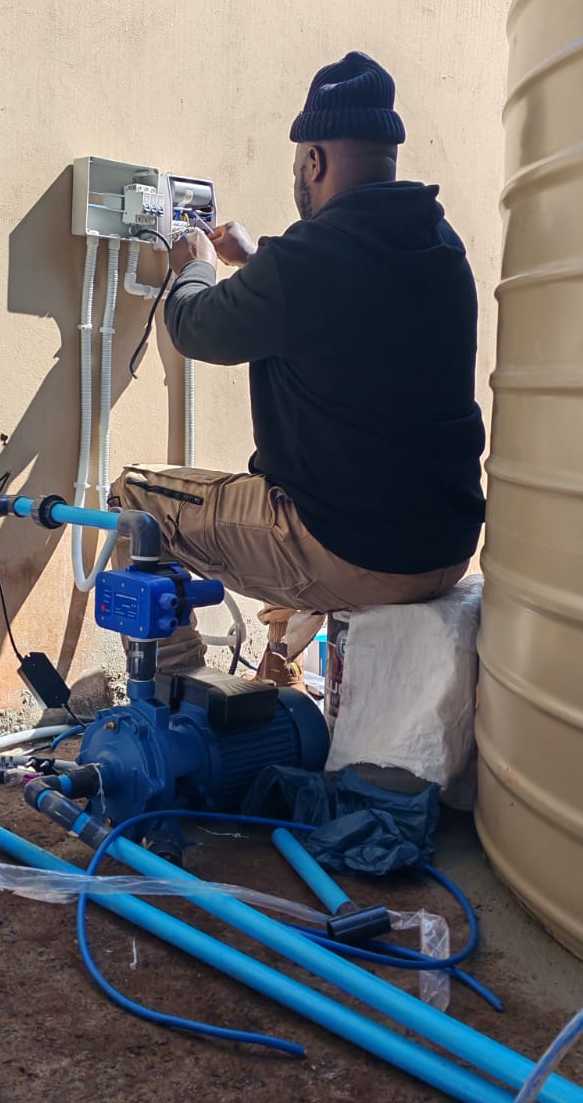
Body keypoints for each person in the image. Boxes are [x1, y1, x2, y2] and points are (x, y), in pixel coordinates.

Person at [109, 51, 485, 682]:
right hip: (441, 549)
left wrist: (194, 264)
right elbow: (343, 302)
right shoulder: (439, 246)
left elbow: (195, 326)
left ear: (314, 161)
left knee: (135, 501)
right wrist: (258, 257)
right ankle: (276, 675)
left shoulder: (307, 260)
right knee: (291, 505)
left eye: (297, 168)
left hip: (351, 552)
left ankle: (177, 698)